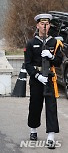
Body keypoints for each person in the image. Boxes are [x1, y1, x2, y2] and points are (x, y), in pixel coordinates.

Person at [24, 13, 63, 149]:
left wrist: (51, 56)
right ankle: (33, 129)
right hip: (37, 78)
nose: (44, 26)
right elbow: (27, 64)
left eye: (46, 24)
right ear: (37, 25)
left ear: (49, 25)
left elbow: (59, 61)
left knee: (51, 106)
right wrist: (36, 75)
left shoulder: (55, 43)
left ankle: (51, 136)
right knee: (35, 105)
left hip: (50, 78)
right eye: (42, 24)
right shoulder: (31, 43)